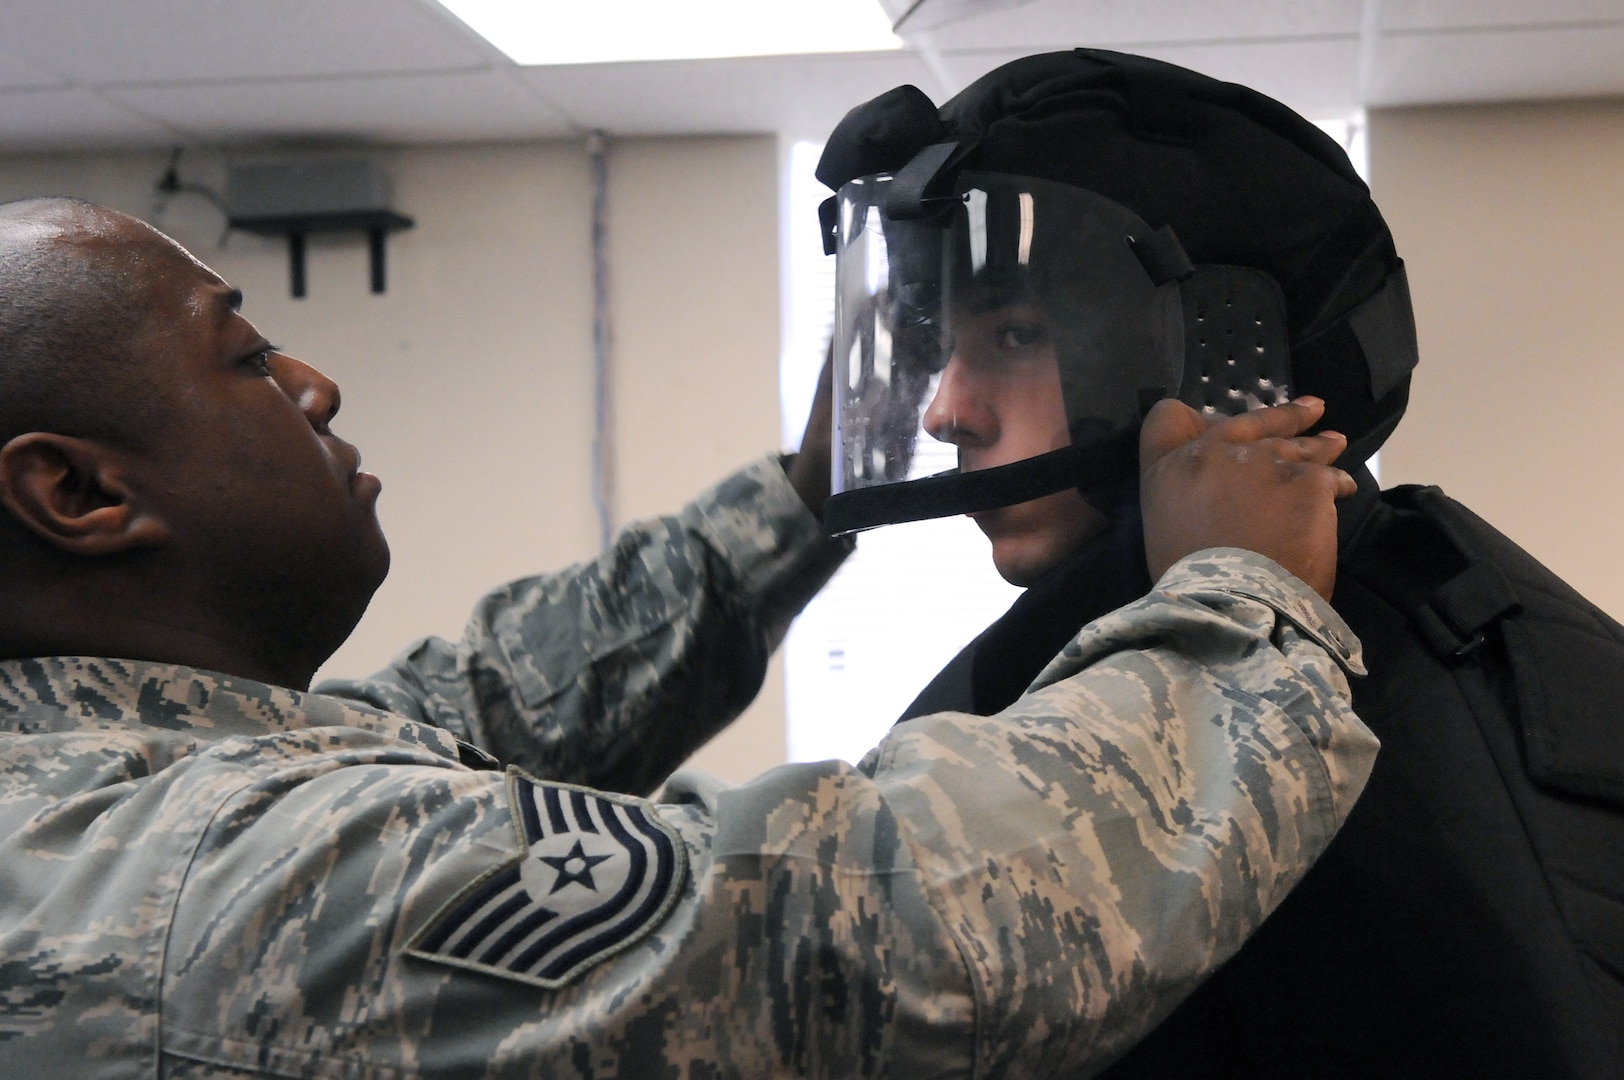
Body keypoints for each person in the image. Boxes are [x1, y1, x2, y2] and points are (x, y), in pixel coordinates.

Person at [0, 196, 1374, 1078]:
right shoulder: (212, 891)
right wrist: (1238, 596)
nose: (315, 378)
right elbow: (906, 927)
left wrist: (804, 495)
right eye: (245, 358)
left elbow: (478, 705)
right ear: (76, 491)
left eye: (1006, 340)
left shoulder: (103, 775)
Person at [815, 49, 1624, 1077]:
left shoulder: (1362, 729)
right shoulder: (1270, 652)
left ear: (1214, 357)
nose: (946, 409)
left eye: (1013, 335)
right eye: (942, 350)